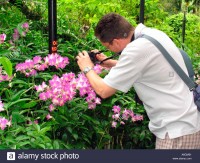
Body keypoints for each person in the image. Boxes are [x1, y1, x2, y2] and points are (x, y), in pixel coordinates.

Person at [76, 13, 200, 149]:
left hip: (176, 133)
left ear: (116, 41)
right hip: (186, 123)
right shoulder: (151, 34)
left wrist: (87, 67)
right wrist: (112, 63)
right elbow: (149, 67)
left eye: (107, 47)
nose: (108, 50)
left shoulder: (135, 50)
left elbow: (104, 90)